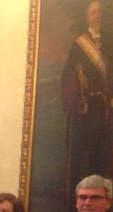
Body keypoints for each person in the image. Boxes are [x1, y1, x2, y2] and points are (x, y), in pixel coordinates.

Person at [61, 0, 113, 192]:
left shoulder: (110, 43)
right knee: (84, 155)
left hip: (105, 109)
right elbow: (67, 76)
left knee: (103, 155)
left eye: (100, 11)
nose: (97, 15)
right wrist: (77, 91)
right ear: (87, 17)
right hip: (86, 109)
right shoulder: (79, 45)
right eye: (93, 12)